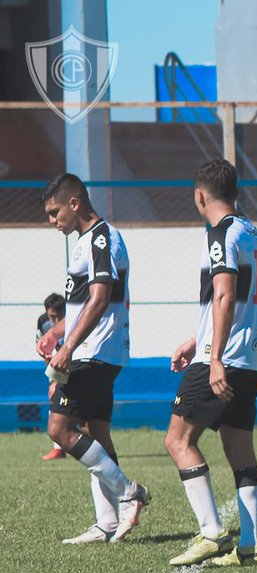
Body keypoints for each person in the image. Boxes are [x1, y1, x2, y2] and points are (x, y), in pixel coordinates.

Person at [163, 159, 257, 567]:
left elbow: (225, 294)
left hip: (224, 357)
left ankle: (212, 532)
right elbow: (233, 300)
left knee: (178, 441)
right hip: (252, 357)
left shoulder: (220, 233)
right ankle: (250, 545)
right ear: (235, 192)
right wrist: (197, 340)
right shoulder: (255, 234)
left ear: (200, 196)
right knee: (239, 447)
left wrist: (214, 358)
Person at [42, 173, 151, 544]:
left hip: (94, 351)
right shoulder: (83, 242)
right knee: (96, 433)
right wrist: (55, 335)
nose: (52, 221)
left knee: (59, 429)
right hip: (92, 350)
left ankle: (128, 492)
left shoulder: (103, 237)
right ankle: (107, 522)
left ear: (74, 204)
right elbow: (81, 305)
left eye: (55, 212)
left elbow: (101, 299)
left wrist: (68, 347)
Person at [36, 293, 67, 460]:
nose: (55, 321)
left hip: (74, 364)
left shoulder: (73, 319)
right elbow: (45, 351)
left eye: (58, 316)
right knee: (55, 399)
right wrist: (52, 378)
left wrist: (57, 380)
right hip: (57, 365)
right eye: (51, 316)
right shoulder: (43, 322)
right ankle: (58, 448)